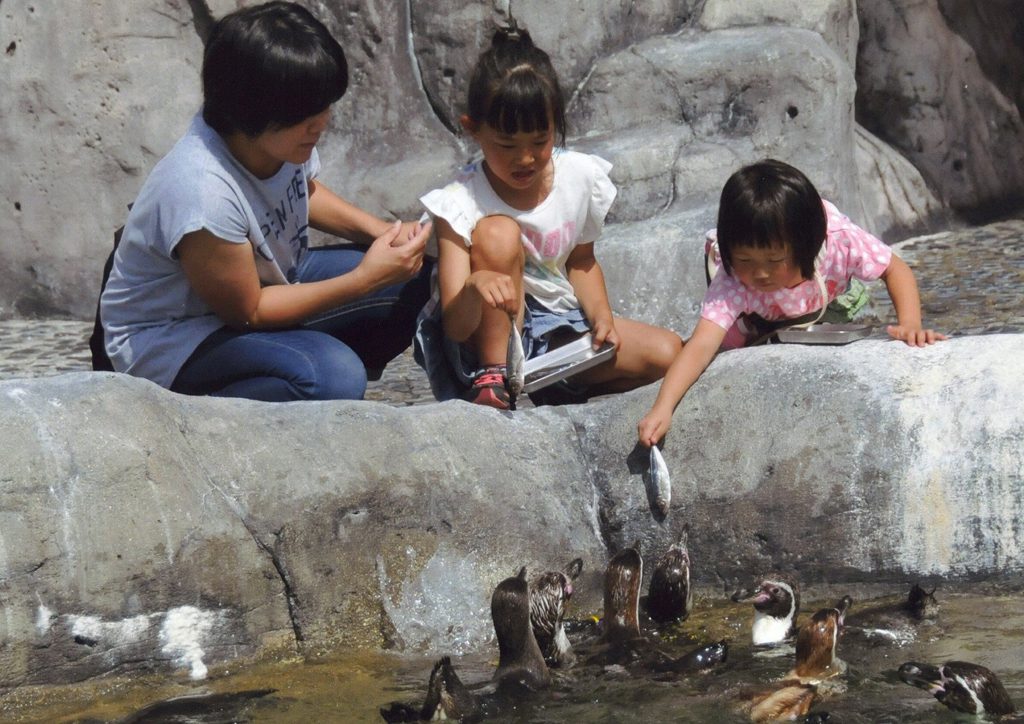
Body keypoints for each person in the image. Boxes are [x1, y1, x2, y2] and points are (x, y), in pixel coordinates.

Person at [99, 1, 431, 402]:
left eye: (324, 107)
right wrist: (364, 280)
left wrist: (385, 233)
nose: (322, 123)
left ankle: (298, 363)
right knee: (334, 377)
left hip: (274, 275)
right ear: (250, 112)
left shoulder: (278, 135)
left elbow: (303, 190)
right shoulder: (200, 192)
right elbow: (249, 311)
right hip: (178, 337)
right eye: (307, 115)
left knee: (418, 279)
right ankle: (203, 414)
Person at [415, 22, 682, 409]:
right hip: (483, 335)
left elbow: (582, 261)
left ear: (556, 125)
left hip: (556, 326)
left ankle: (553, 384)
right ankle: (495, 381)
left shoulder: (578, 177)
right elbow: (455, 326)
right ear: (473, 130)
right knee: (497, 233)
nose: (525, 159)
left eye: (539, 142)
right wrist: (477, 286)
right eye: (507, 144)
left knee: (669, 352)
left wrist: (601, 316)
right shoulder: (459, 203)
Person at [638, 158, 947, 446]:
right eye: (745, 258)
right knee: (721, 351)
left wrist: (910, 325)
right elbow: (702, 344)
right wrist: (663, 407)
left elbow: (895, 268)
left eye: (774, 260)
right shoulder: (733, 279)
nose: (759, 272)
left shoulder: (839, 243)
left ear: (808, 246)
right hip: (755, 317)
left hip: (821, 301)